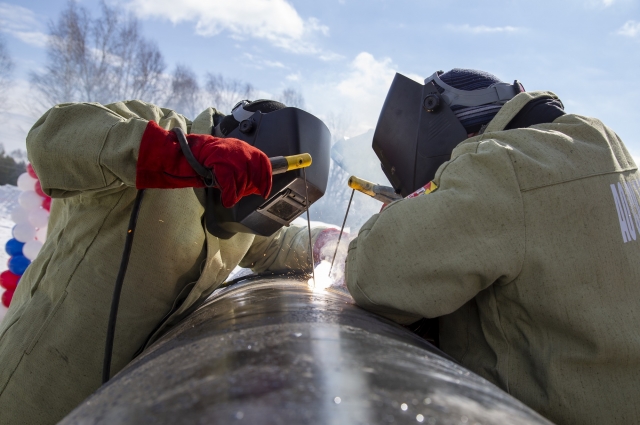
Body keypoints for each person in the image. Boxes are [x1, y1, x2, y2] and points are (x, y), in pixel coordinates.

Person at [0, 98, 332, 424]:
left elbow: (274, 244)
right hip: (33, 383)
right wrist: (178, 154)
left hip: (120, 401)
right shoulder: (159, 126)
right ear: (247, 136)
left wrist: (326, 244)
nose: (266, 209)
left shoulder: (241, 214)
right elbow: (50, 137)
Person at [345, 69, 640, 425]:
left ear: (453, 131)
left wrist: (403, 211)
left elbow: (371, 275)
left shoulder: (501, 164)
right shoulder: (606, 147)